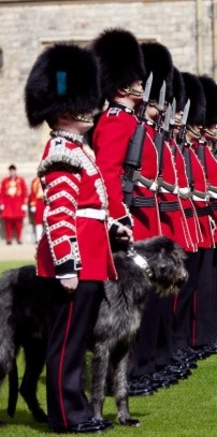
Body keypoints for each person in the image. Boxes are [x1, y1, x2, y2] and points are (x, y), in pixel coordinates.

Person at [24, 43, 132, 433]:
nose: (93, 109)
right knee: (66, 343)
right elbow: (59, 214)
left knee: (75, 341)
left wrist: (111, 227)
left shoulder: (76, 149)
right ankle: (67, 416)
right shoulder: (62, 152)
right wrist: (67, 264)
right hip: (72, 263)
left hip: (89, 255)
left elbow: (87, 208)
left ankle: (77, 409)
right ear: (66, 110)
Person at [0, 164, 27, 244]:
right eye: (10, 171)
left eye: (13, 171)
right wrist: (1, 203)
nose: (12, 172)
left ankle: (19, 238)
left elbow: (24, 192)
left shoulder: (21, 180)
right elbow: (1, 193)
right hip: (8, 204)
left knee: (19, 222)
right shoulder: (5, 181)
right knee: (8, 222)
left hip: (18, 204)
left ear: (15, 171)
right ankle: (9, 238)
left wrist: (24, 203)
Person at [28, 175, 45, 243]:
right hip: (38, 202)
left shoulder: (48, 178)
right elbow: (32, 193)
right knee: (38, 221)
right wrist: (32, 204)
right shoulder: (35, 181)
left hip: (46, 201)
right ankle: (38, 238)